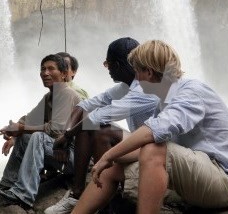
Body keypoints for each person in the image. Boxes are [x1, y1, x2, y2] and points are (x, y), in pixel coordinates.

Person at [72, 40, 228, 214]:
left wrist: (107, 155)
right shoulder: (162, 102)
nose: (136, 79)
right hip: (198, 180)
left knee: (153, 148)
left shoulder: (192, 91)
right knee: (111, 170)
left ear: (148, 72)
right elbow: (146, 145)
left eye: (137, 72)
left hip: (227, 182)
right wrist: (111, 160)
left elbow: (154, 134)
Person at [46, 37, 159, 214]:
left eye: (108, 64)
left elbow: (98, 116)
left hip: (157, 146)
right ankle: (77, 193)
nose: (107, 69)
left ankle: (106, 197)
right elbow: (86, 105)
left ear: (121, 65)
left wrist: (66, 137)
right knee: (88, 126)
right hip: (141, 140)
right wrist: (68, 131)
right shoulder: (125, 86)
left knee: (100, 129)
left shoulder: (144, 89)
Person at [0, 54, 82, 210]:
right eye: (43, 69)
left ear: (65, 74)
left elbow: (56, 129)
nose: (45, 73)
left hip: (75, 157)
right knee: (24, 137)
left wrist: (22, 128)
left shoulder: (67, 94)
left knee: (38, 137)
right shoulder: (50, 97)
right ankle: (7, 186)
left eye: (51, 69)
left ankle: (24, 194)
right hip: (60, 152)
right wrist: (12, 131)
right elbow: (29, 119)